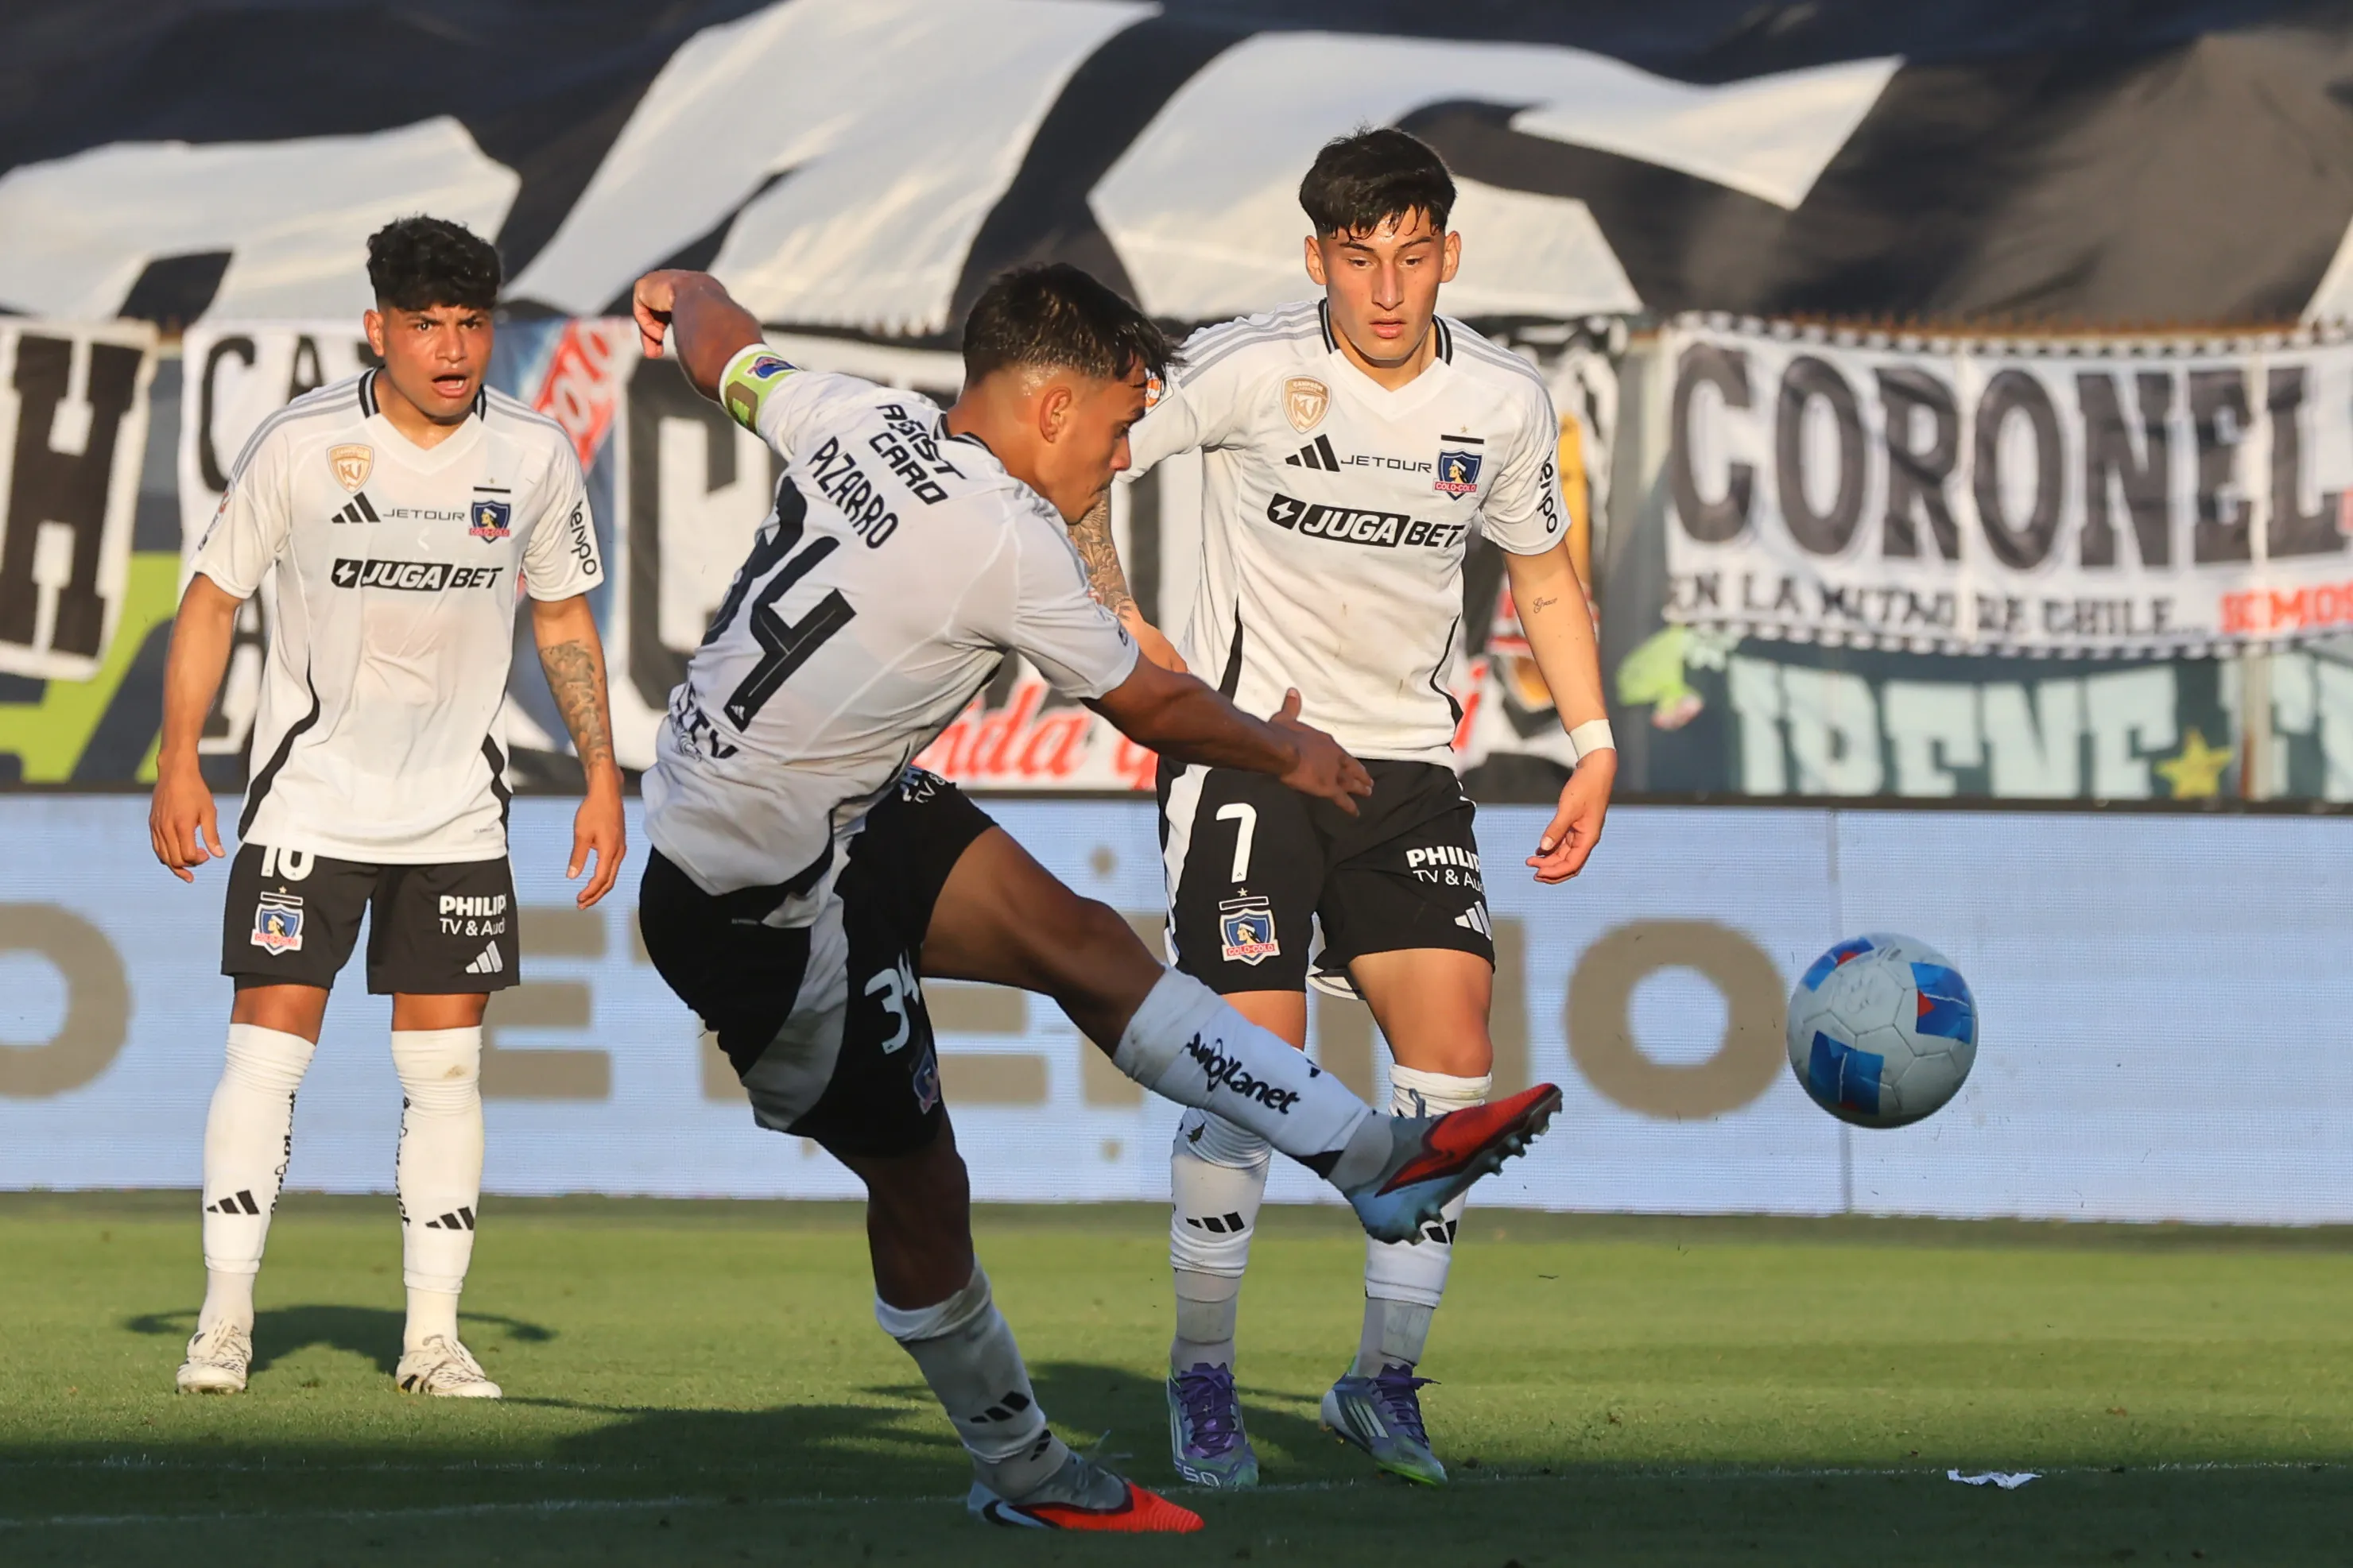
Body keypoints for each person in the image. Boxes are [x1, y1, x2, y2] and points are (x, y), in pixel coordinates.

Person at [628, 261, 1561, 1533]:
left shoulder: (859, 414)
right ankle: (1025, 1475)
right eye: (1122, 426)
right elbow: (1148, 703)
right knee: (922, 1187)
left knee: (1078, 938)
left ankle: (1376, 1162)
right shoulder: (1004, 542)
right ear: (1053, 408)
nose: (1123, 459)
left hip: (802, 810)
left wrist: (687, 290)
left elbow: (727, 352)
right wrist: (1287, 749)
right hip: (758, 904)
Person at [1065, 127, 1617, 1488]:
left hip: (1408, 774)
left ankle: (1383, 1383)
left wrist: (1594, 744)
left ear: (1448, 256)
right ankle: (1202, 1383)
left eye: (1412, 257)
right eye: (1358, 260)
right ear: (1315, 257)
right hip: (1252, 758)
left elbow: (1542, 577)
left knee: (1454, 1063)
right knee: (1252, 1066)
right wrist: (1120, 618)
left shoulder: (1500, 399)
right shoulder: (1243, 366)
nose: (1386, 290)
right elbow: (1083, 449)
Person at [150, 216, 625, 1400]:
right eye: (426, 325)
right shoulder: (303, 445)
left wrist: (607, 775)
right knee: (266, 1060)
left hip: (457, 816)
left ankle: (431, 1340)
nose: (451, 348)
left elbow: (563, 619)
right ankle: (222, 1323)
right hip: (312, 804)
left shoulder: (533, 454)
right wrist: (176, 759)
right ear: (380, 329)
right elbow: (210, 601)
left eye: (471, 324)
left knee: (446, 1077)